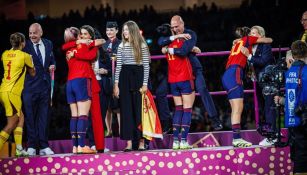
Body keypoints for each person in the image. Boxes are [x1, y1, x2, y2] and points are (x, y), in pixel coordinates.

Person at [157, 15, 223, 132]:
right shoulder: (172, 35)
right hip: (175, 72)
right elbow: (160, 41)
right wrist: (177, 37)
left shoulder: (190, 34)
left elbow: (183, 52)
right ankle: (166, 123)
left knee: (202, 89)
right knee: (160, 92)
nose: (175, 29)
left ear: (182, 24)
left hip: (193, 69)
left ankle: (214, 119)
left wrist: (169, 49)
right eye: (173, 27)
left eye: (177, 26)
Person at [222, 27, 273, 147]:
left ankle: (236, 138)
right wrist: (257, 38)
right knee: (238, 108)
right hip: (235, 73)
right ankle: (236, 138)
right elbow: (269, 40)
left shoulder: (238, 42)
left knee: (235, 108)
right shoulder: (248, 39)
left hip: (227, 74)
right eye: (252, 34)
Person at [63, 25, 105, 153]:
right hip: (83, 81)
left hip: (70, 83)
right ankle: (81, 146)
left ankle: (76, 146)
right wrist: (84, 45)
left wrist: (79, 49)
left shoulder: (70, 48)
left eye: (85, 34)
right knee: (82, 115)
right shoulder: (82, 47)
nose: (82, 36)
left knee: (75, 116)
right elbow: (88, 56)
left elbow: (102, 41)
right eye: (81, 34)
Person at [113, 20, 150, 151]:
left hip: (139, 77)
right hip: (125, 78)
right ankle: (128, 143)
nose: (124, 32)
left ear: (133, 30)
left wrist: (145, 83)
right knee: (126, 111)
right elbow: (118, 67)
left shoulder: (142, 45)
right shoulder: (121, 46)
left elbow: (146, 65)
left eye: (127, 30)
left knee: (139, 110)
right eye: (124, 30)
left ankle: (141, 142)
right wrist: (116, 84)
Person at [22, 23, 56, 156]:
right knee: (30, 117)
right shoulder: (25, 45)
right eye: (30, 33)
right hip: (29, 88)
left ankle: (43, 146)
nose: (32, 36)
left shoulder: (48, 44)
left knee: (44, 117)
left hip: (45, 87)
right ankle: (31, 146)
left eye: (34, 33)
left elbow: (52, 59)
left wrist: (53, 65)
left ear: (41, 33)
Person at [0, 32, 35, 157]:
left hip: (4, 90)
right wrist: (31, 60)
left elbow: (9, 58)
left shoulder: (5, 54)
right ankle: (18, 148)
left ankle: (19, 148)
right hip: (12, 93)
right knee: (12, 124)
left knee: (21, 118)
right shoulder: (25, 56)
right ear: (23, 43)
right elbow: (32, 73)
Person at [275, 41, 307, 173]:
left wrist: (281, 101)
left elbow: (291, 97)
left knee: (298, 153)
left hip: (292, 119)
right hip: (304, 119)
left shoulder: (289, 73)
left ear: (292, 56)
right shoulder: (305, 71)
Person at [161, 26, 195, 149]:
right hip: (185, 78)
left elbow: (161, 42)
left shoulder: (165, 46)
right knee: (187, 109)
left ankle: (175, 141)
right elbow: (186, 50)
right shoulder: (182, 41)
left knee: (178, 109)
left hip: (173, 80)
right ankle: (184, 141)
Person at [245, 26, 276, 146]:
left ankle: (273, 135)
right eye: (250, 33)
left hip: (267, 80)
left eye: (254, 33)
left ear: (261, 35)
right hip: (258, 80)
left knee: (269, 107)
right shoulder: (251, 47)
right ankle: (270, 135)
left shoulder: (265, 46)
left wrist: (249, 57)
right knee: (263, 108)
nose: (251, 35)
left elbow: (263, 61)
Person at [102, 21, 121, 137]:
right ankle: (108, 131)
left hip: (117, 78)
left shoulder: (121, 44)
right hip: (105, 78)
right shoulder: (103, 45)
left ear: (117, 31)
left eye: (112, 30)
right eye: (107, 30)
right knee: (107, 107)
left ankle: (121, 130)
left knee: (118, 106)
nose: (109, 32)